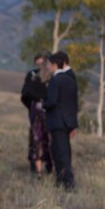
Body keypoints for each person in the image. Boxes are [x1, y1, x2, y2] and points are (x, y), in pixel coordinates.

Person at [43, 51, 78, 190]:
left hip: (57, 121)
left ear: (54, 65)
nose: (48, 67)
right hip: (67, 121)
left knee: (59, 153)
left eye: (49, 64)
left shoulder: (55, 79)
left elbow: (52, 101)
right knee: (64, 152)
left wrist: (42, 105)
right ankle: (62, 181)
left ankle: (68, 183)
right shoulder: (71, 79)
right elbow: (73, 103)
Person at [20, 54, 51, 177]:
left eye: (41, 64)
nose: (39, 66)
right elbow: (25, 96)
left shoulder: (50, 78)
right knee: (39, 139)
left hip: (42, 113)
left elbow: (25, 95)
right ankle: (37, 168)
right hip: (38, 114)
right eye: (37, 64)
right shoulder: (32, 77)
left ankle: (44, 167)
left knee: (41, 139)